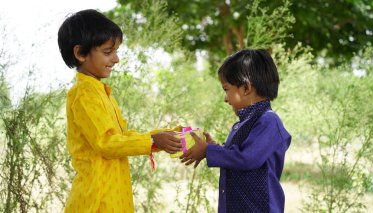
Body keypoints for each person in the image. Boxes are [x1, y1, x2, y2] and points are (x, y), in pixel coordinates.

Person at [57, 9, 182, 212]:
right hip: (96, 201)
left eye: (115, 51)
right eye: (108, 52)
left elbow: (121, 138)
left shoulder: (101, 92)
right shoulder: (84, 94)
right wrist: (152, 141)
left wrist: (162, 136)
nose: (116, 59)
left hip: (115, 197)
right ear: (80, 53)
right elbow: (106, 143)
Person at [180, 49, 291, 212]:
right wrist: (216, 148)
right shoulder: (243, 124)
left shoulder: (269, 121)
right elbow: (237, 156)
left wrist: (208, 151)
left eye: (226, 89)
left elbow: (248, 159)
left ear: (246, 88)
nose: (225, 98)